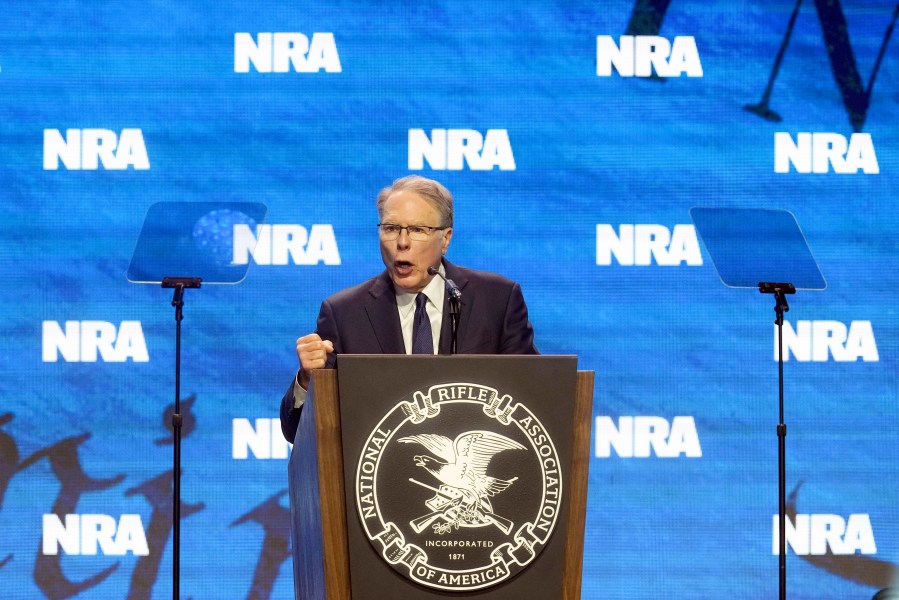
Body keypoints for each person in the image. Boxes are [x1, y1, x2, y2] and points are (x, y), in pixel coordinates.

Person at [279, 175, 538, 442]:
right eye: (391, 228)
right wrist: (307, 381)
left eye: (417, 230)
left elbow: (534, 399)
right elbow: (296, 432)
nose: (402, 242)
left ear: (445, 238)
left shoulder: (497, 300)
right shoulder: (344, 313)